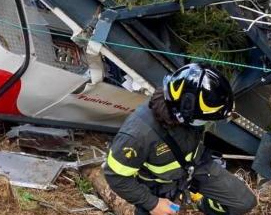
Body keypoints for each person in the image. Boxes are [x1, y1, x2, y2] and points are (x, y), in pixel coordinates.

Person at [104, 63, 257, 215]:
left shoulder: (187, 107)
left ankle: (203, 205)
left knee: (243, 202)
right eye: (203, 119)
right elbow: (116, 176)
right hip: (158, 186)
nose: (205, 123)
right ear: (183, 113)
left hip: (195, 166)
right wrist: (152, 204)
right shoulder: (138, 135)